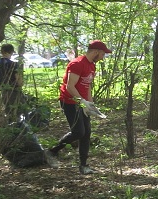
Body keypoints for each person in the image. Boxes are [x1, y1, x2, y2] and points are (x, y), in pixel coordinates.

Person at [47, 40, 111, 174]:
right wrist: (82, 102)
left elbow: (87, 86)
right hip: (70, 102)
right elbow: (70, 86)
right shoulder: (77, 64)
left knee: (87, 133)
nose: (103, 57)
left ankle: (84, 165)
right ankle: (51, 151)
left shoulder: (91, 66)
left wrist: (91, 105)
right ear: (96, 52)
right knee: (79, 132)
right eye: (103, 54)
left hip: (82, 103)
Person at [0, 44, 23, 119]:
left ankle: (10, 127)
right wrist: (20, 84)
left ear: (1, 52)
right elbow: (19, 80)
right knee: (22, 111)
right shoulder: (14, 64)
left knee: (8, 113)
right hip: (15, 91)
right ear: (11, 52)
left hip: (4, 92)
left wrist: (2, 86)